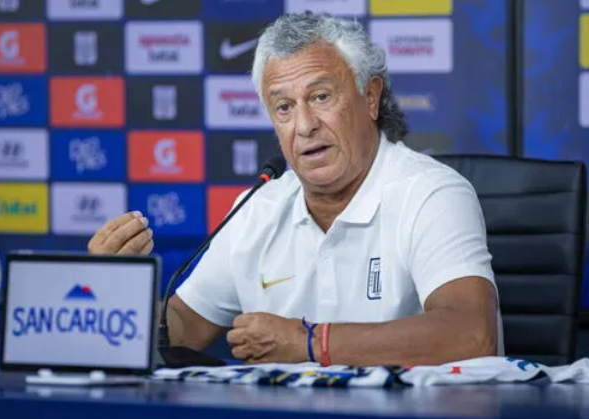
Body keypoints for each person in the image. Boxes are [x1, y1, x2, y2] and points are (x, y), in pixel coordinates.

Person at [89, 13, 502, 366]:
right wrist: (117, 289)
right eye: (284, 107)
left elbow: (471, 335)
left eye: (320, 97)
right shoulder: (258, 207)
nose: (304, 126)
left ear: (371, 96)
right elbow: (179, 332)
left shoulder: (431, 193)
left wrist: (310, 343)